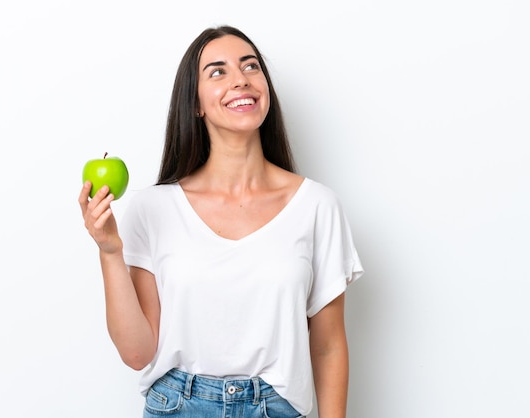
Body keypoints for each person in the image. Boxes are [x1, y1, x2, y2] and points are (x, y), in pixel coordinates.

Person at [79, 25, 363, 418]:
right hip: (177, 406)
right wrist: (110, 252)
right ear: (195, 102)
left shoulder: (316, 205)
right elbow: (137, 352)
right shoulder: (153, 208)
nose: (241, 79)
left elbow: (329, 346)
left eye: (251, 67)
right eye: (218, 71)